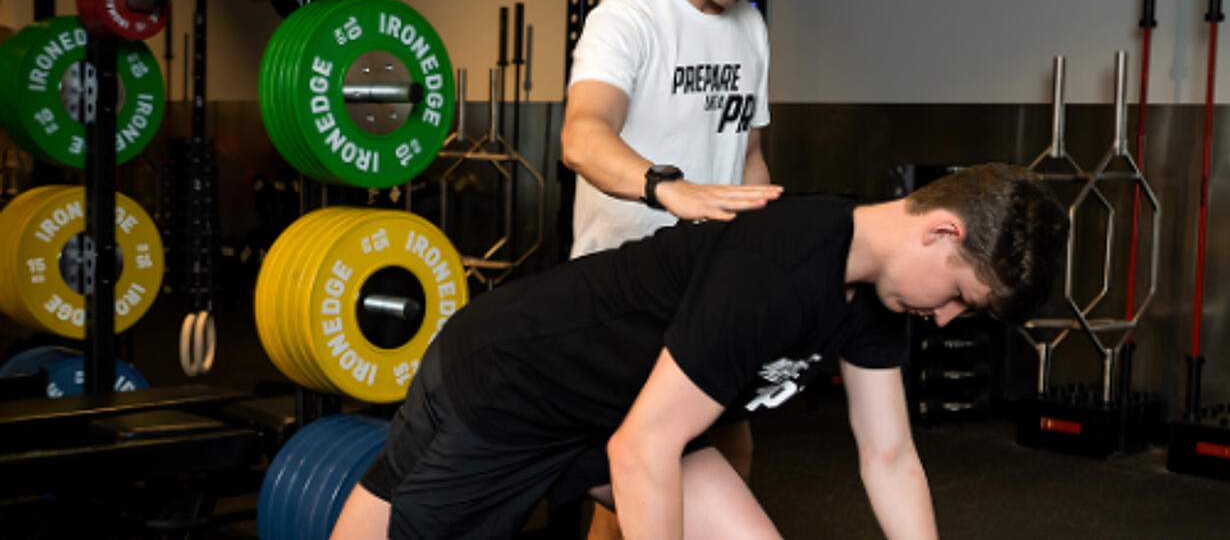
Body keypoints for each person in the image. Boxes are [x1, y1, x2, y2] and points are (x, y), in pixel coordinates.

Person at [330, 163, 1069, 540]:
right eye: (960, 295)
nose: (945, 318)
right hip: (513, 383)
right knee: (393, 507)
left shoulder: (879, 298)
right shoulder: (781, 265)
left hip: (619, 409)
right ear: (941, 232)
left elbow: (889, 456)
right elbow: (642, 449)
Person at [559, 0, 814, 531]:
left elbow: (748, 155)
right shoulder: (628, 14)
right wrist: (667, 189)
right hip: (624, 293)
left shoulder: (750, 25)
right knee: (639, 480)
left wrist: (775, 262)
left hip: (712, 289)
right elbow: (582, 135)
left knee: (729, 455)